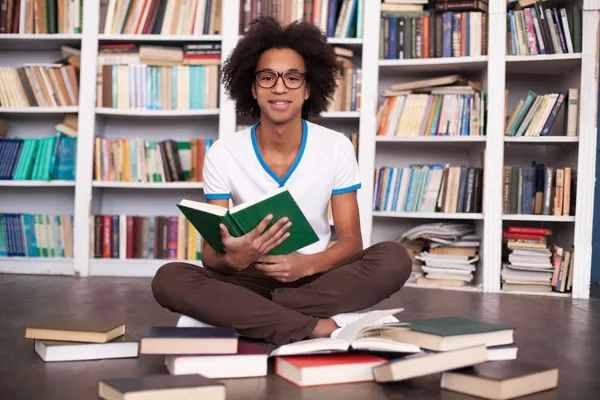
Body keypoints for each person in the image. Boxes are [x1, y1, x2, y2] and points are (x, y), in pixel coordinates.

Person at [151, 17, 412, 346]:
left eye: (292, 78)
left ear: (307, 89)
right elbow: (210, 256)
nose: (279, 87)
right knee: (169, 278)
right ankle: (318, 328)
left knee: (394, 258)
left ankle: (250, 315)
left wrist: (306, 265)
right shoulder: (223, 152)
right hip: (250, 277)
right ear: (253, 88)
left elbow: (350, 243)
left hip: (318, 275)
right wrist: (233, 258)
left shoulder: (336, 147)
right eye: (267, 77)